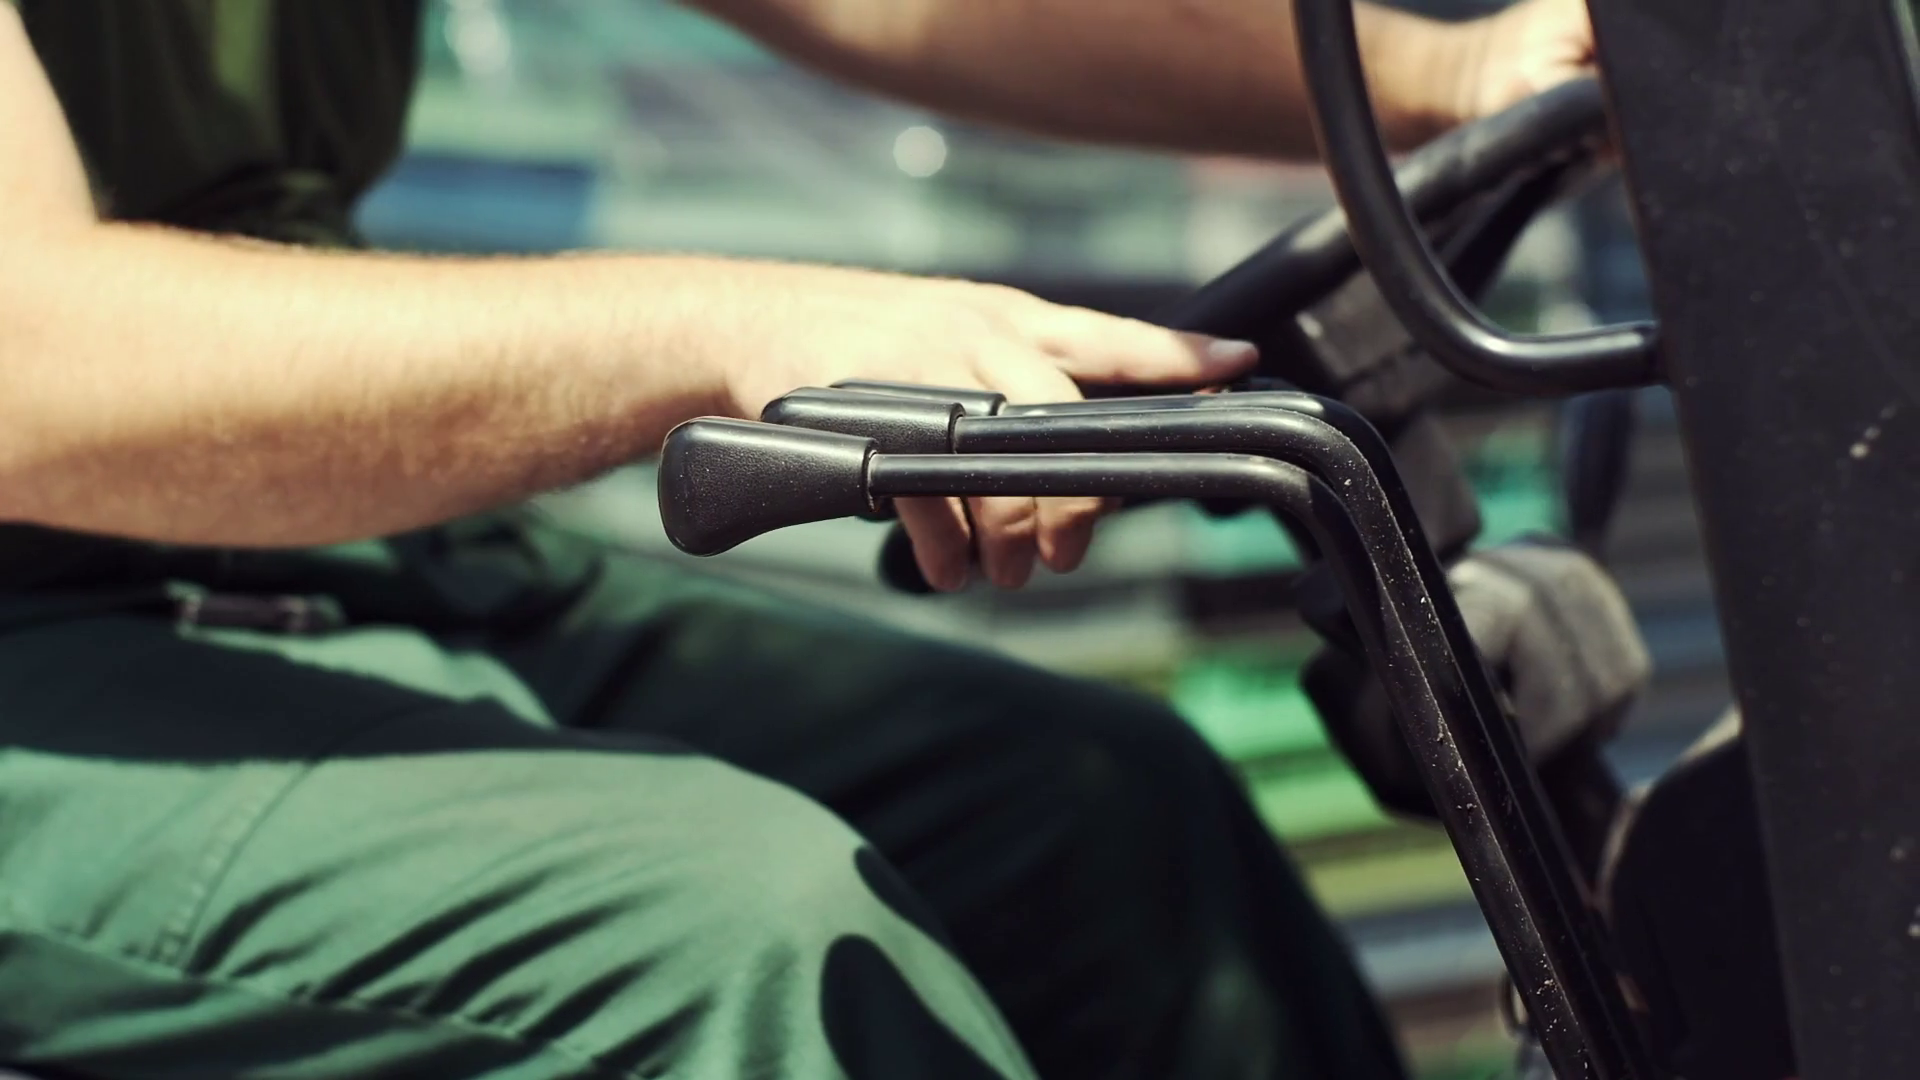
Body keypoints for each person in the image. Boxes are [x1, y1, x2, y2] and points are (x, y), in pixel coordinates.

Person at [0, 1, 1595, 1077]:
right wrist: (734, 323)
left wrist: (1437, 80)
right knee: (742, 945)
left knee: (1108, 818)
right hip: (39, 650)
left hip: (345, 554)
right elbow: (32, 359)